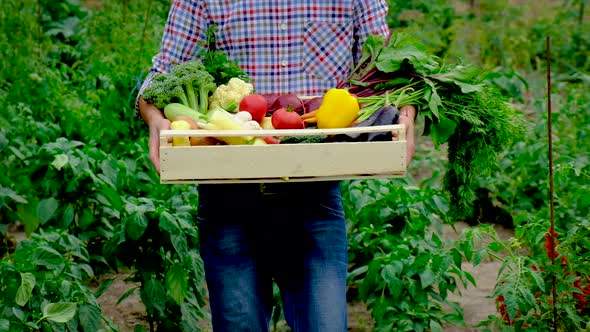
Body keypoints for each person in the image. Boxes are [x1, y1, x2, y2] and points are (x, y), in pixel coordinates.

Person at [137, 1, 416, 331]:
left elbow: (388, 70)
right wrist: (155, 116)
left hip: (315, 197)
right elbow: (160, 78)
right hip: (228, 202)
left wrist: (406, 115)